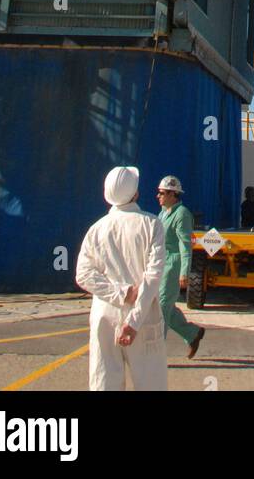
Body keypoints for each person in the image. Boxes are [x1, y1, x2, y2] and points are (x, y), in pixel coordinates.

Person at [76, 165, 168, 391]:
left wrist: (120, 293)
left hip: (104, 314)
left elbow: (84, 275)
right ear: (135, 194)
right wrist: (134, 321)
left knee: (104, 383)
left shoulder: (96, 229)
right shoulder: (152, 224)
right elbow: (153, 276)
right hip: (143, 317)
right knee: (150, 384)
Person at [157, 175, 205, 359]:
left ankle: (155, 355)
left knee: (162, 307)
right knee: (165, 306)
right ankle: (192, 334)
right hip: (162, 264)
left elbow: (185, 245)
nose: (158, 196)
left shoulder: (182, 214)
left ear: (172, 194)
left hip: (173, 265)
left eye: (161, 193)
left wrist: (184, 272)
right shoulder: (163, 212)